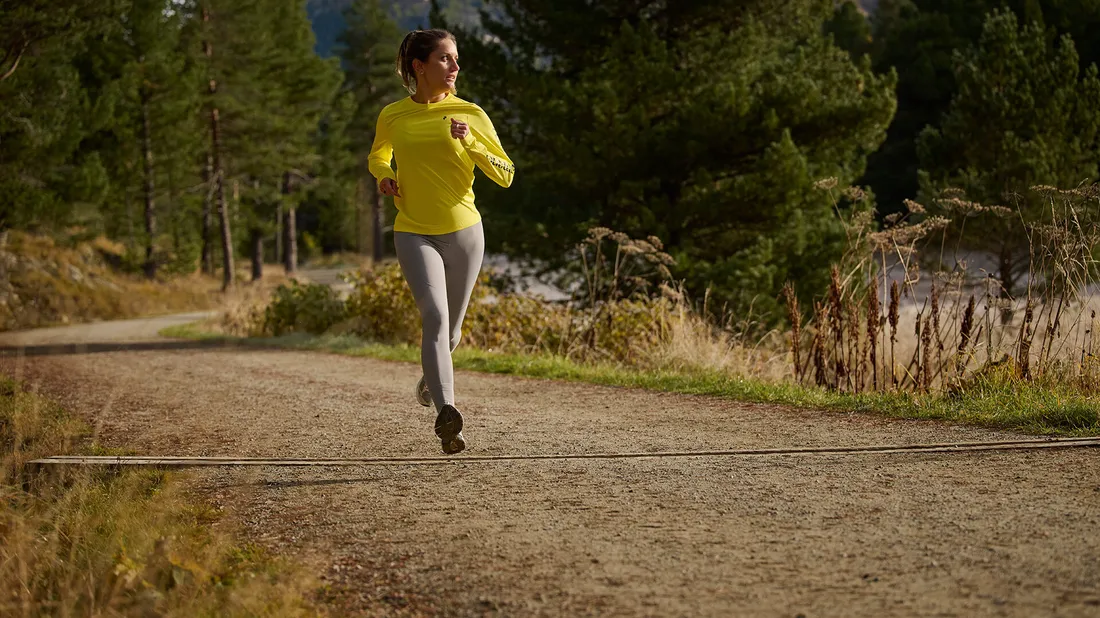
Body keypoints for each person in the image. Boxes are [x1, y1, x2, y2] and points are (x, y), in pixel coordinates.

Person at [367, 28, 515, 455]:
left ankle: (433, 380)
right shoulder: (394, 114)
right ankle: (448, 412)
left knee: (449, 333)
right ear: (419, 67)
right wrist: (384, 175)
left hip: (465, 233)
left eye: (455, 59)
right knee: (433, 318)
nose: (455, 67)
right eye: (446, 59)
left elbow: (504, 173)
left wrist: (469, 142)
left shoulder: (470, 113)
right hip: (413, 230)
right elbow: (379, 153)